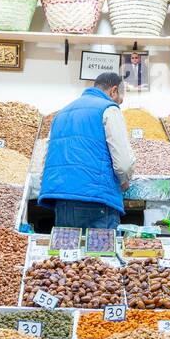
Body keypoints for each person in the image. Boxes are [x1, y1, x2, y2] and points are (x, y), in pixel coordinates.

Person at [38, 72, 137, 230]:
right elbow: (123, 163)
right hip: (97, 199)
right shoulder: (109, 109)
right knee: (101, 253)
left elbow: (45, 157)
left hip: (62, 199)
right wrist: (124, 179)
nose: (119, 104)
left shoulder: (61, 114)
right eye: (120, 101)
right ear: (113, 91)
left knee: (67, 252)